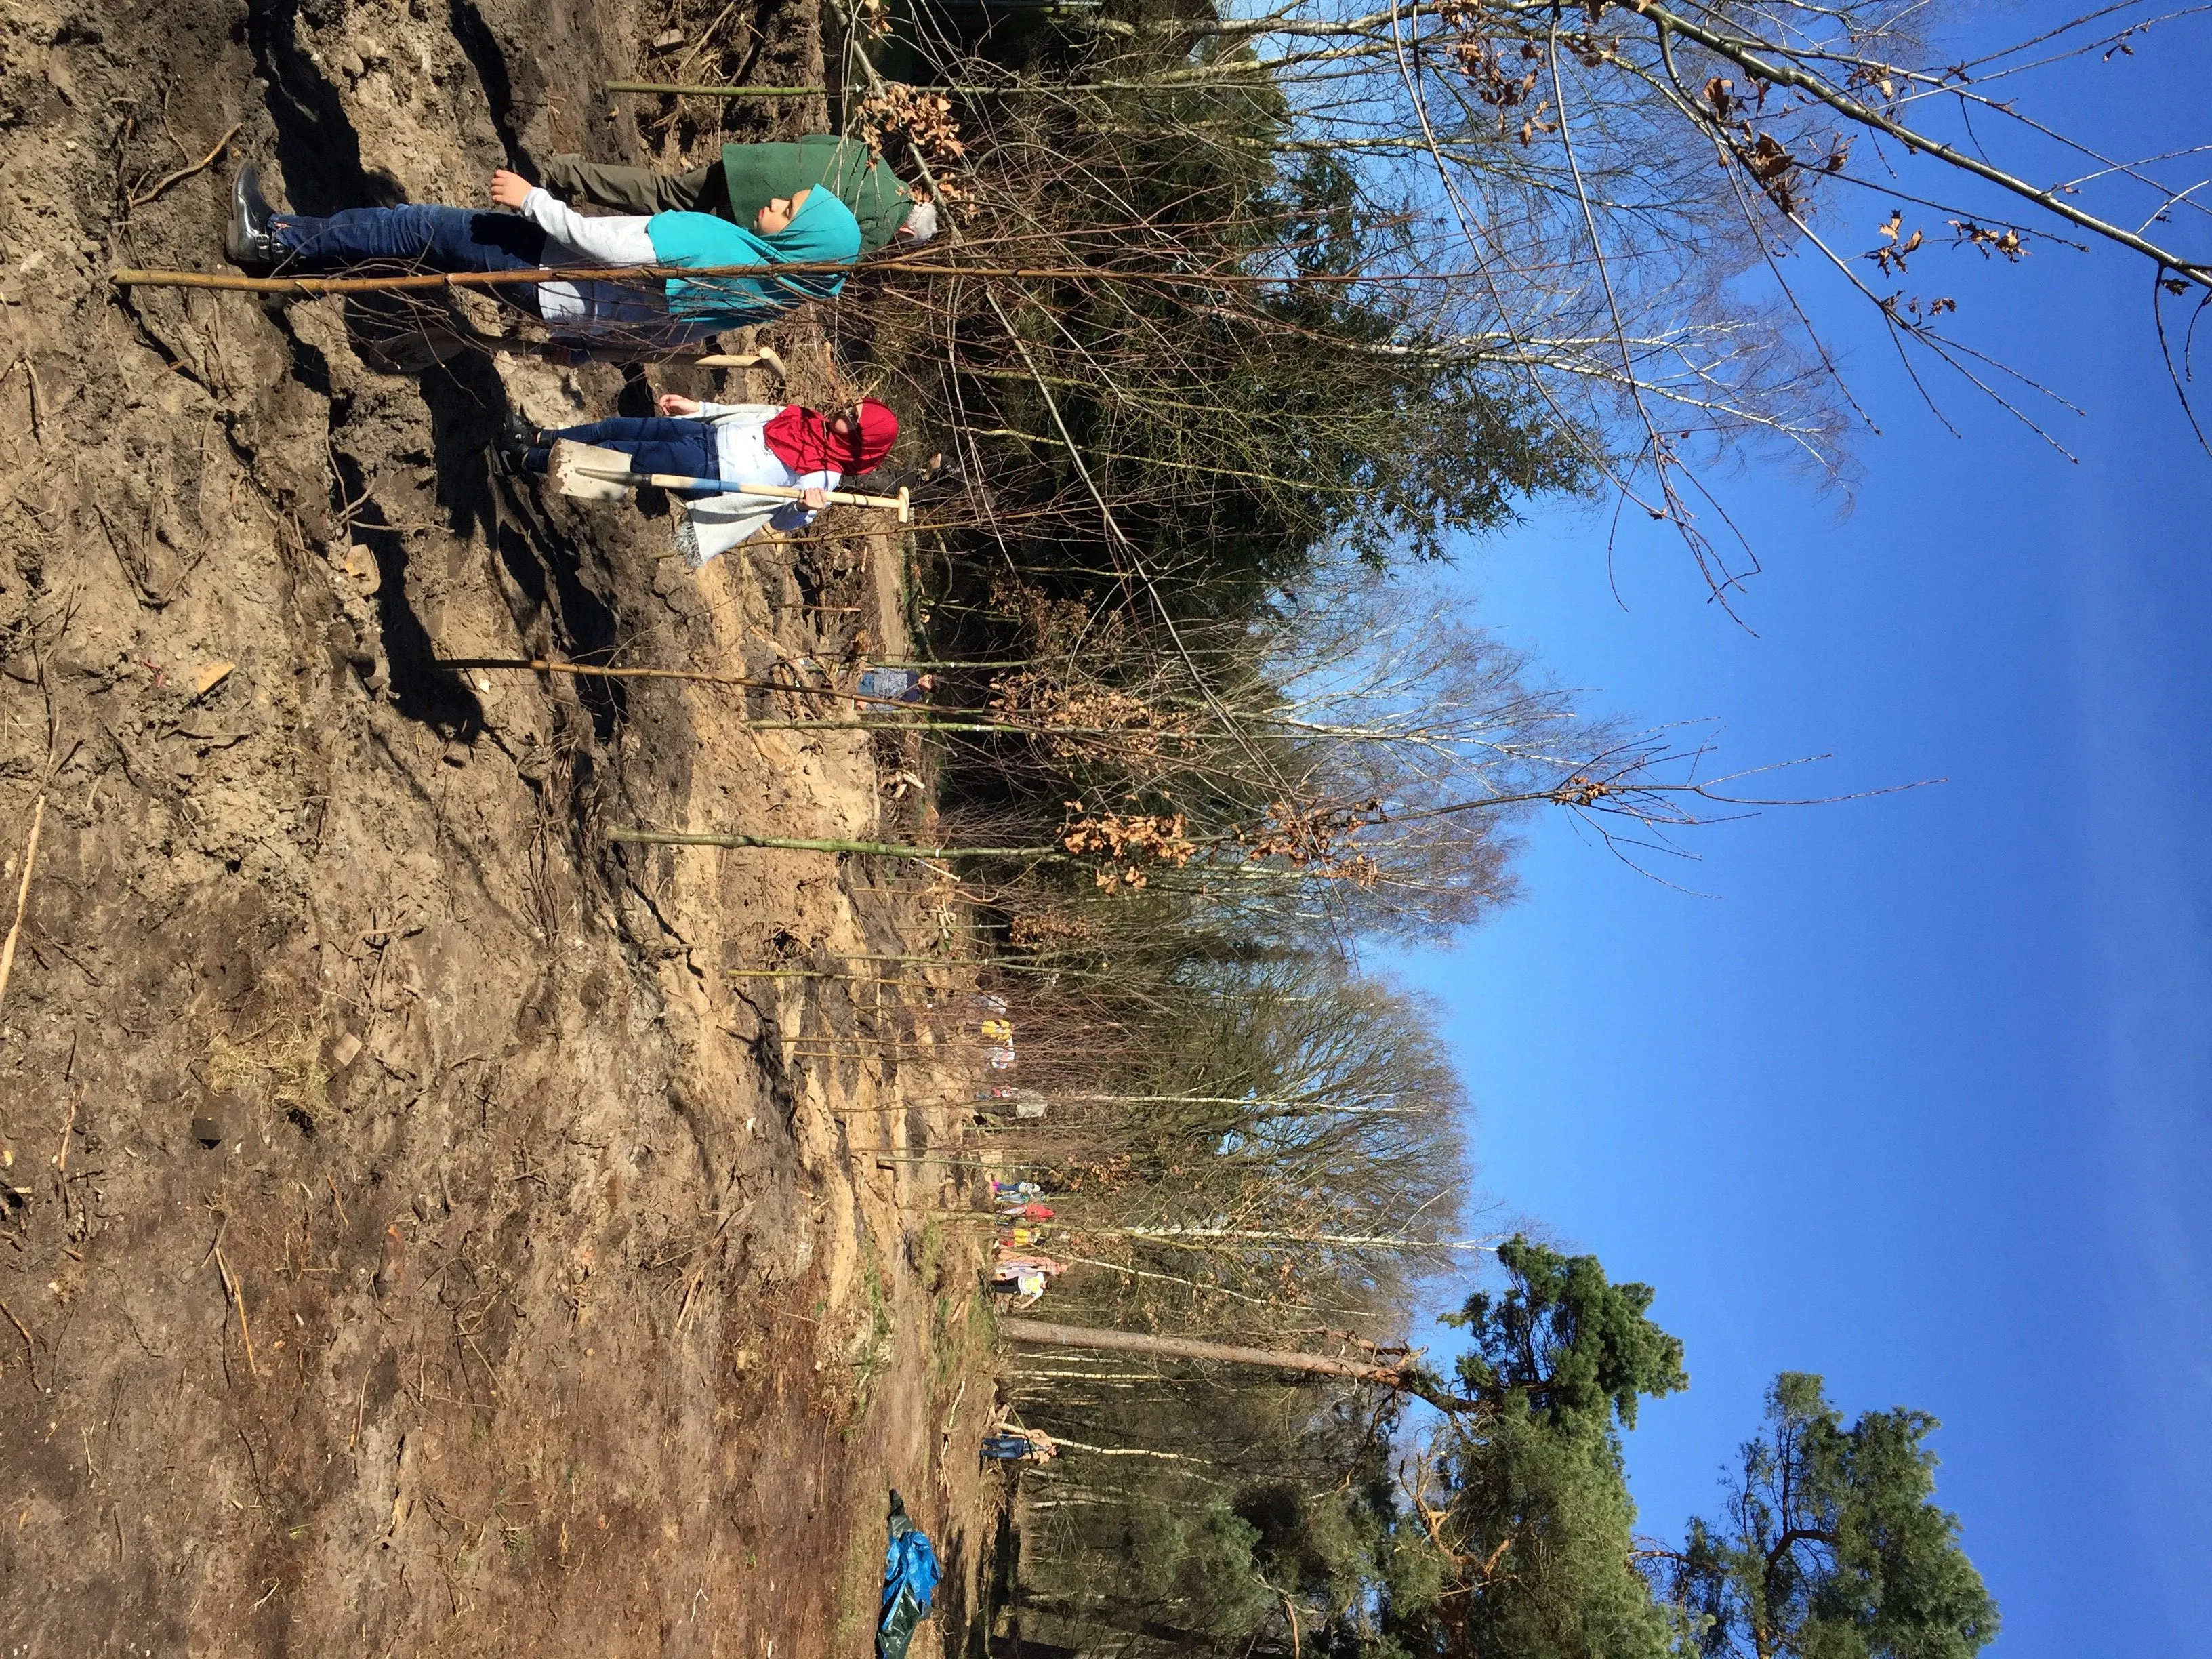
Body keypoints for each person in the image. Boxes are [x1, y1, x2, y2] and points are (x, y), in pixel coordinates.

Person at [224, 165, 862, 359]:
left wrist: (538, 202)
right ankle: (306, 277)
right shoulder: (747, 298)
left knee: (415, 226)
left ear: (801, 242)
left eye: (791, 207)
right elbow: (652, 341)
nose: (776, 200)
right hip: (553, 303)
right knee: (416, 248)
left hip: (545, 261)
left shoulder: (722, 250)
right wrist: (581, 350)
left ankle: (272, 242)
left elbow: (605, 247)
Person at [506, 393, 899, 569]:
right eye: (851, 407)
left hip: (707, 470)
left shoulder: (825, 476)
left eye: (854, 417)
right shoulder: (806, 417)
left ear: (864, 441)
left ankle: (523, 459)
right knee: (616, 426)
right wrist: (700, 409)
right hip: (702, 434)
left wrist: (801, 507)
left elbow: (779, 522)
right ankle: (539, 437)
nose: (843, 411)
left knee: (617, 455)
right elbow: (748, 413)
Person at [543, 134, 937, 254]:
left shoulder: (875, 158)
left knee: (664, 190)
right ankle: (574, 238)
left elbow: (815, 140)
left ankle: (567, 170)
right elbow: (831, 253)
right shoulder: (884, 226)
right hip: (758, 214)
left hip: (755, 166)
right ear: (907, 232)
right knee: (670, 229)